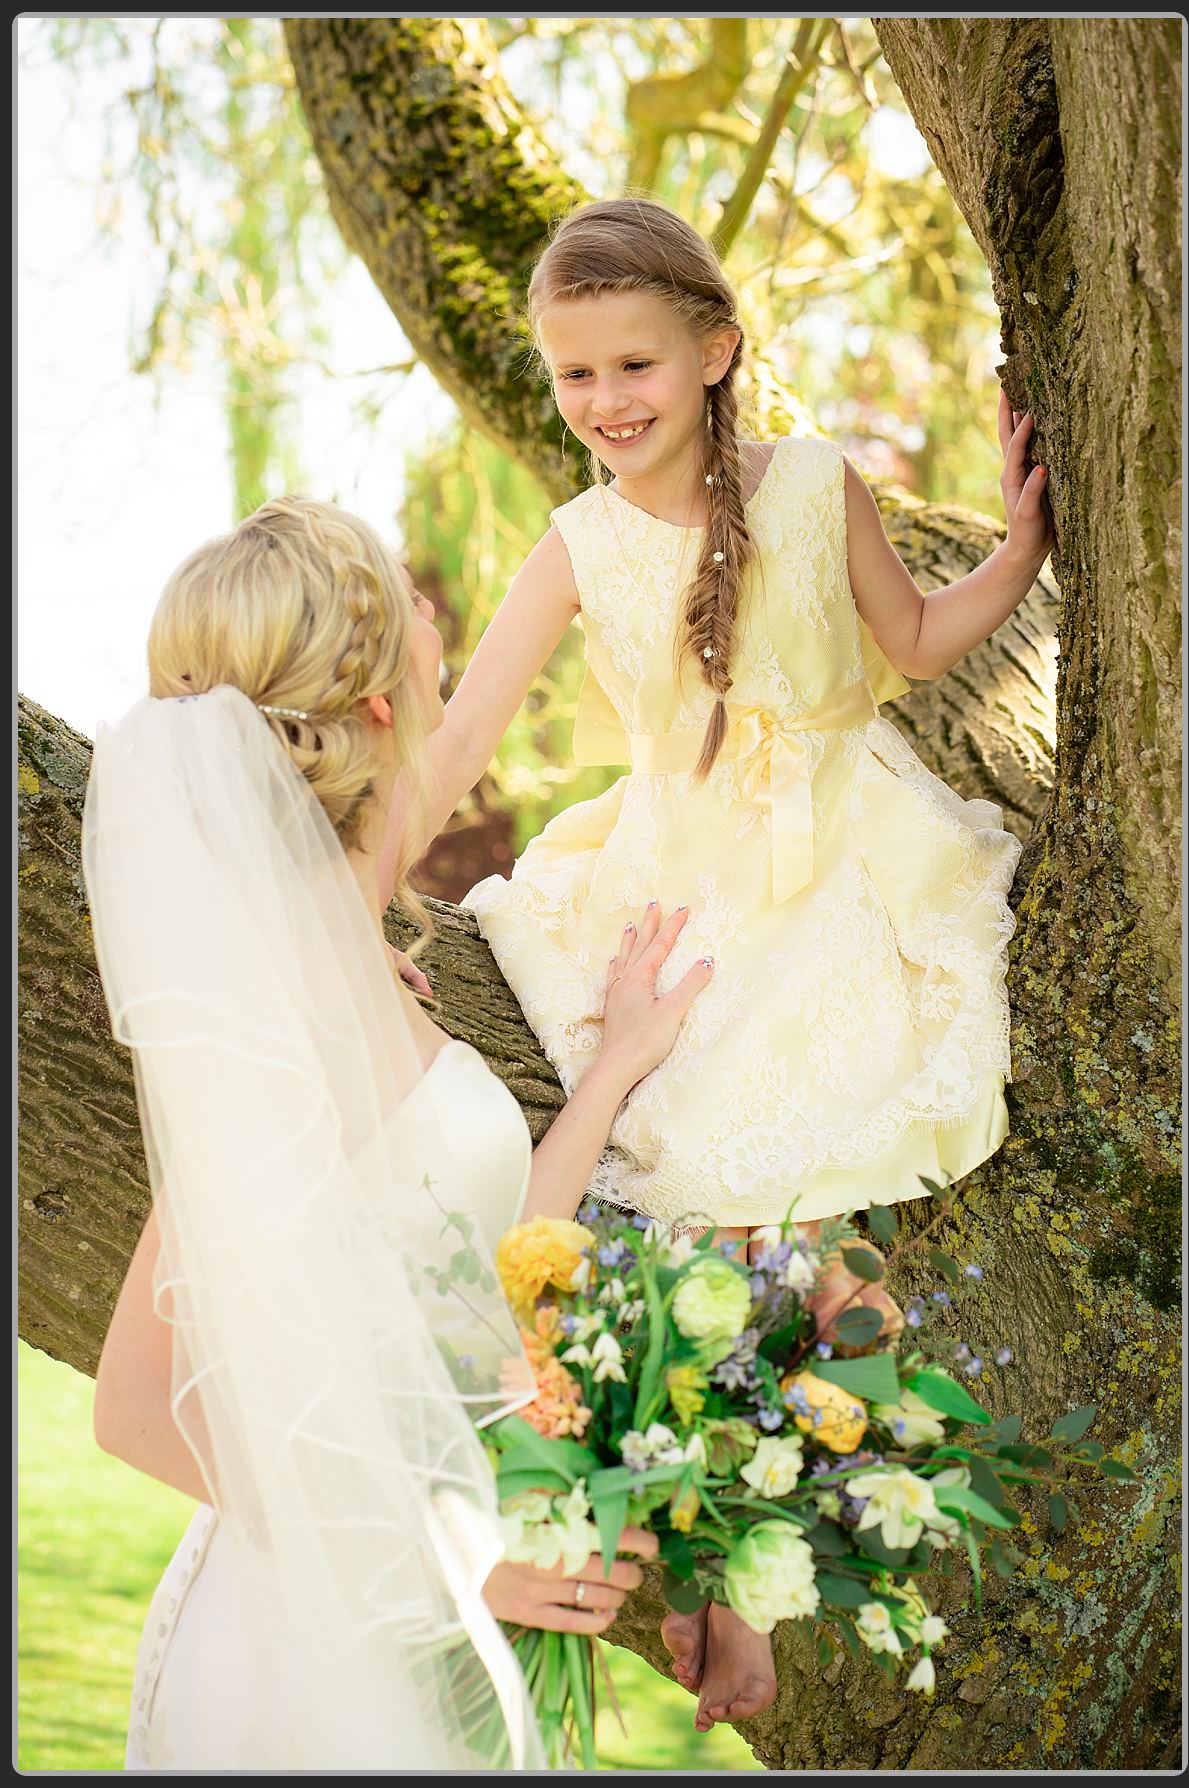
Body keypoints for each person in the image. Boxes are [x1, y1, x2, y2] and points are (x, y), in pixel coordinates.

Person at [412, 194, 1050, 1731]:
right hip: (671, 878)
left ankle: (770, 1545)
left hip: (844, 855)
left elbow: (907, 641)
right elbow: (457, 744)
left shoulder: (818, 481)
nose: (604, 404)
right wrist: (339, 877)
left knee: (792, 1211)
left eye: (633, 364)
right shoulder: (579, 543)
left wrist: (1025, 545)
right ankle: (714, 1566)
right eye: (574, 377)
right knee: (663, 1194)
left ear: (714, 351)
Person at [90, 497, 708, 1767]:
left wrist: (612, 1073)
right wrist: (452, 1561)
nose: (438, 617)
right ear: (380, 708)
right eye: (412, 607)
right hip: (307, 1653)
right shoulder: (290, 1007)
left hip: (407, 1633)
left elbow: (474, 1254)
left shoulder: (341, 944)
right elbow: (138, 1409)